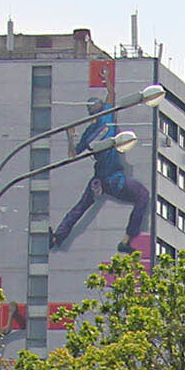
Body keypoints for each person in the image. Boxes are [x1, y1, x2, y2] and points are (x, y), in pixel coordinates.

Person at [48, 97, 156, 266]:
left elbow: (72, 155)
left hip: (100, 178)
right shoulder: (105, 119)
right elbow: (73, 154)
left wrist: (70, 137)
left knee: (81, 207)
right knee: (143, 195)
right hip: (113, 178)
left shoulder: (97, 125)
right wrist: (70, 136)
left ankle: (57, 237)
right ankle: (126, 240)